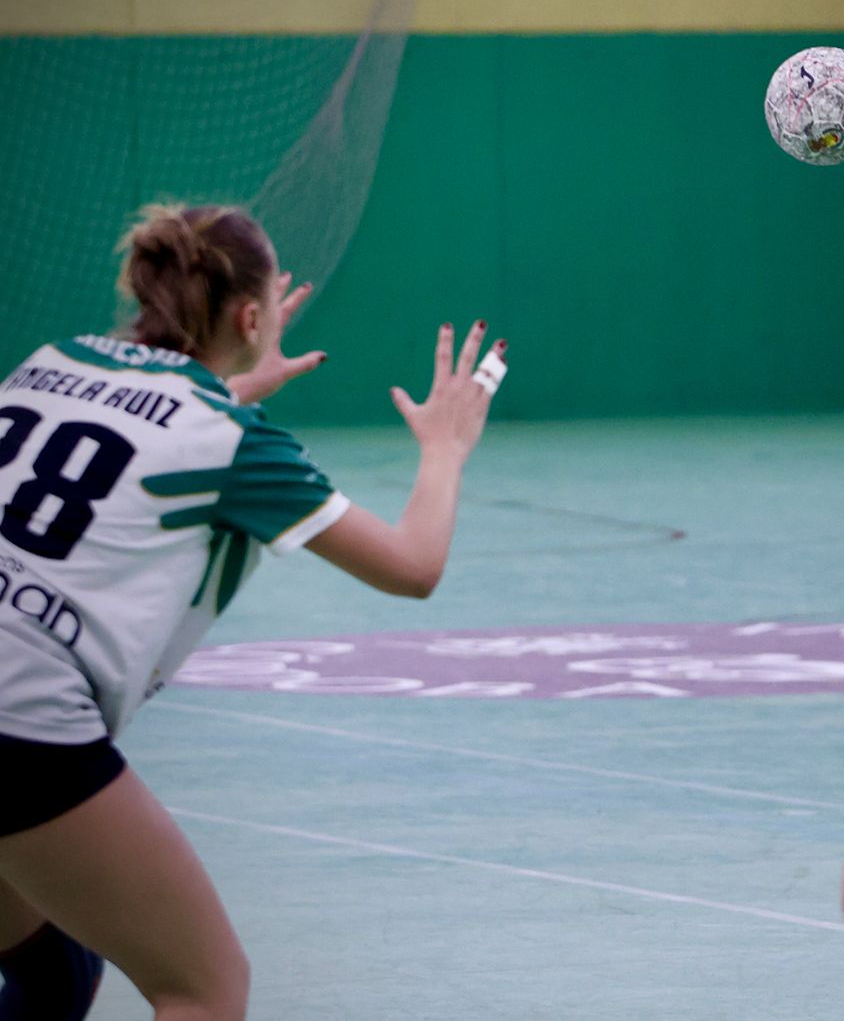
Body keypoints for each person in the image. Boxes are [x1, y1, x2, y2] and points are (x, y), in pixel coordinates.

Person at [0, 203, 508, 1021]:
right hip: (20, 718)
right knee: (203, 986)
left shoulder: (49, 362)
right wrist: (444, 446)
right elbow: (413, 566)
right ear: (249, 318)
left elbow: (130, 426)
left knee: (54, 969)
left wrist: (228, 381)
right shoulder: (232, 440)